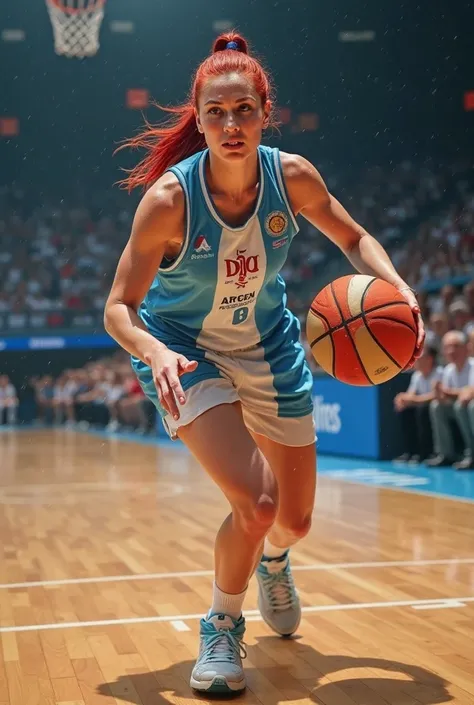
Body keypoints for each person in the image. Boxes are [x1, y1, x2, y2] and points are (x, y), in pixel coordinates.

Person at [104, 32, 425, 694]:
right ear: (198, 117)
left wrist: (399, 289)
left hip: (269, 343)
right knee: (256, 503)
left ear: (264, 111)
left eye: (243, 110)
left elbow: (355, 237)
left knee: (294, 520)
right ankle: (221, 625)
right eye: (215, 113)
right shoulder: (169, 201)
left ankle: (274, 558)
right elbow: (117, 309)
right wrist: (156, 351)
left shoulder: (293, 176)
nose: (229, 125)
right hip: (183, 352)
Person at [427, 330, 474, 469]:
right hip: (459, 408)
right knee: (437, 407)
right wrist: (438, 393)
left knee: (465, 406)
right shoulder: (448, 370)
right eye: (447, 347)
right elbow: (446, 398)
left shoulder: (472, 365)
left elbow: (470, 393)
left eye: (455, 346)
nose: (451, 350)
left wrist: (448, 392)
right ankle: (445, 454)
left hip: (467, 408)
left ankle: (471, 454)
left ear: (466, 347)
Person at [393, 346, 442, 464]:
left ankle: (425, 452)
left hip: (433, 407)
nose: (416, 362)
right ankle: (411, 451)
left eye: (419, 358)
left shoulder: (440, 373)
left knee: (423, 411)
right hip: (421, 406)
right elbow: (411, 395)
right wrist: (402, 398)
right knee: (405, 410)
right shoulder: (417, 376)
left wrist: (415, 400)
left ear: (430, 359)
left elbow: (436, 395)